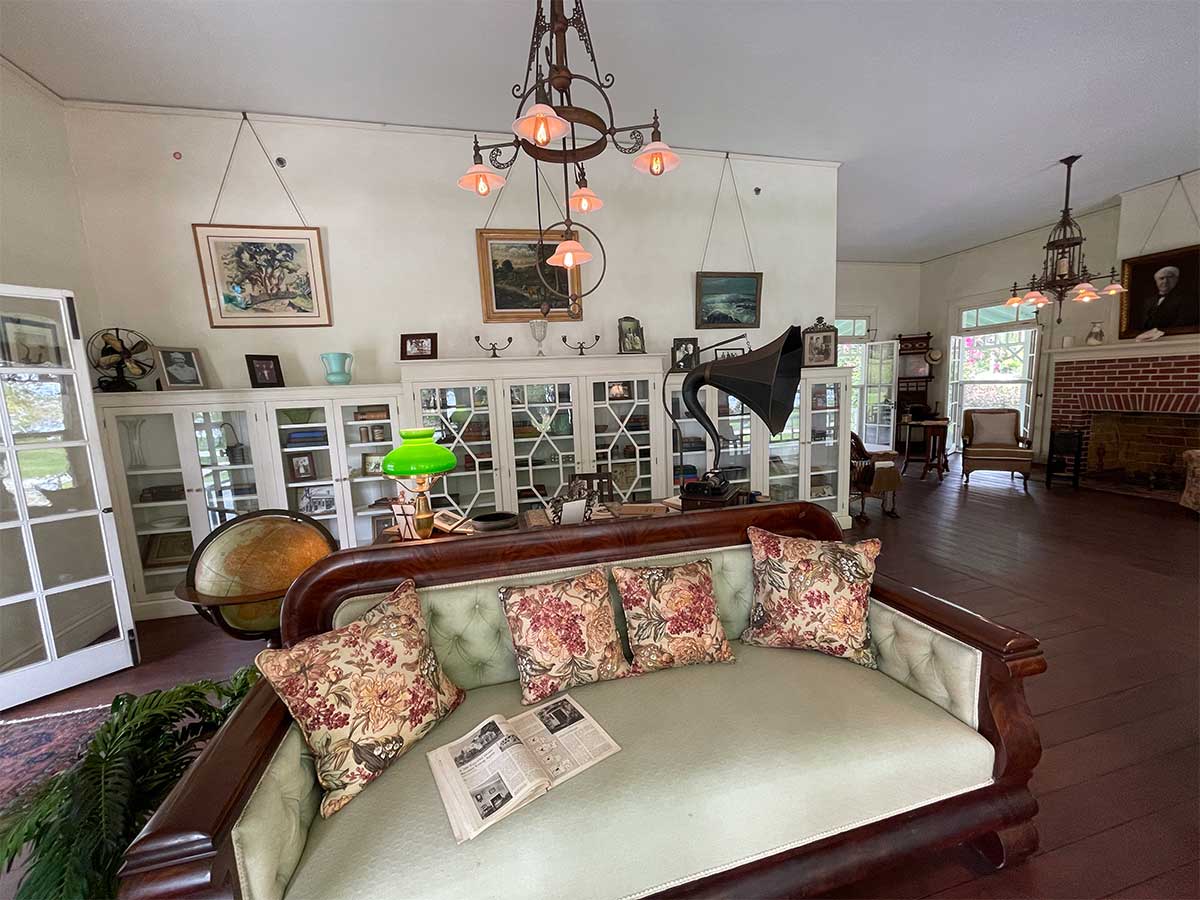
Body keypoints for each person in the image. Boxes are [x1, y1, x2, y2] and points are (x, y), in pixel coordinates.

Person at [1142, 265, 1198, 331]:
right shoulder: (1148, 301)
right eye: (1161, 278)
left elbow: (1183, 323)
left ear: (1176, 279)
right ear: (1156, 281)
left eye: (1170, 277)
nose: (1165, 281)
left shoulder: (1186, 299)